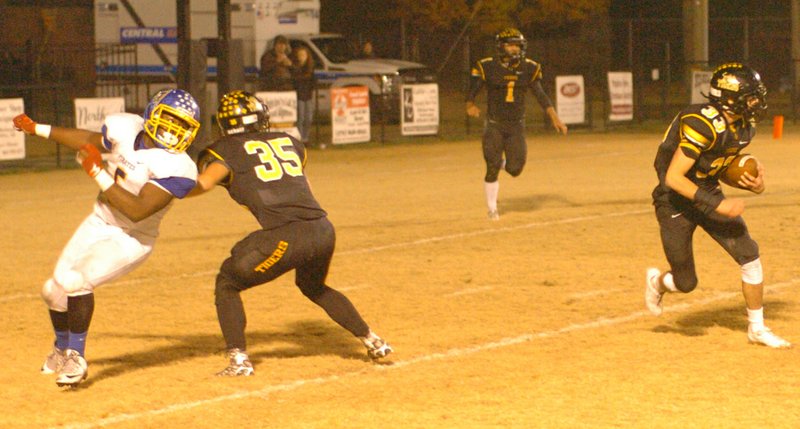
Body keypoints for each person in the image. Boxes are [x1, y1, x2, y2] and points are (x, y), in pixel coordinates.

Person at [190, 90, 392, 376]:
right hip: (322, 229)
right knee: (313, 287)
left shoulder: (226, 150)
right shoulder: (290, 142)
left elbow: (205, 183)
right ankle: (373, 340)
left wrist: (165, 186)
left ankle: (239, 360)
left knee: (228, 283)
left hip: (287, 235)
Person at [12, 89, 201, 387]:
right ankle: (61, 349)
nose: (174, 131)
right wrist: (37, 128)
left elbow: (138, 211)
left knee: (77, 281)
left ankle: (77, 357)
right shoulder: (125, 127)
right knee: (52, 291)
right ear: (152, 114)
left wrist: (98, 173)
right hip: (100, 220)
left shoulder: (179, 167)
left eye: (183, 127)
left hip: (132, 236)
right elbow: (88, 140)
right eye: (170, 121)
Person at [645, 63, 790, 348]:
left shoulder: (743, 126)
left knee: (749, 254)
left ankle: (757, 329)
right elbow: (674, 177)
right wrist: (717, 204)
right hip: (673, 198)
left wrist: (751, 183)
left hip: (706, 192)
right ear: (730, 98)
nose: (756, 102)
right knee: (686, 283)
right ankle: (658, 283)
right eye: (750, 97)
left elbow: (718, 167)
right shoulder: (702, 122)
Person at [466, 28, 568, 221]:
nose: (515, 49)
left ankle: (500, 162)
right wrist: (469, 104)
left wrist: (554, 116)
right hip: (494, 124)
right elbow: (474, 88)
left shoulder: (528, 67)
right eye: (511, 45)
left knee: (515, 169)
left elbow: (540, 94)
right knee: (491, 167)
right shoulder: (488, 66)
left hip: (516, 126)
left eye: (517, 45)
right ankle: (492, 209)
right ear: (501, 47)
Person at [292, 45, 316, 146]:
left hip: (308, 96)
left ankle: (306, 138)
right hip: (299, 96)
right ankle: (300, 139)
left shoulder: (310, 68)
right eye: (300, 55)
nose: (302, 57)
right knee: (300, 118)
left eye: (304, 55)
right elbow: (295, 80)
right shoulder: (295, 68)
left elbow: (312, 81)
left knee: (309, 118)